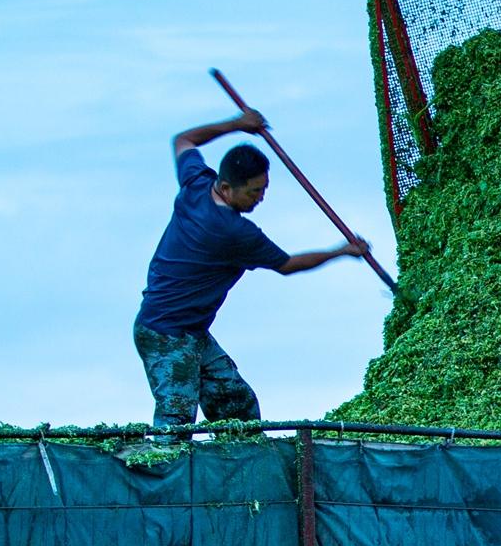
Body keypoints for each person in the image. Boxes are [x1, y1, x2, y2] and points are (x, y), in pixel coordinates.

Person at [133, 107, 360, 427]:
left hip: (191, 331)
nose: (261, 198)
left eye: (264, 189)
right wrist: (342, 251)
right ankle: (163, 459)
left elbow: (184, 140)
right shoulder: (232, 232)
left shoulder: (197, 184)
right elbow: (288, 265)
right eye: (254, 191)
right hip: (165, 334)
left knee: (238, 406)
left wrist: (238, 125)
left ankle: (243, 456)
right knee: (176, 419)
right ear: (227, 188)